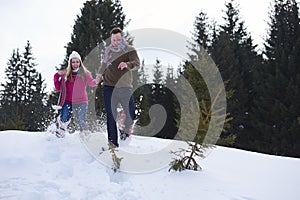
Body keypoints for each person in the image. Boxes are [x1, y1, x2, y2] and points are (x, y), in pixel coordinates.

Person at [97, 27, 140, 148]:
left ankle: (124, 127)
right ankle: (112, 143)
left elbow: (137, 63)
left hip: (125, 87)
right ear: (111, 39)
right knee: (111, 115)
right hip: (109, 87)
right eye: (114, 40)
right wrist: (99, 75)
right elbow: (104, 64)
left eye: (119, 39)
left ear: (122, 38)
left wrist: (127, 64)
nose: (116, 42)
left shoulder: (129, 50)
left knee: (131, 113)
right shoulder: (108, 51)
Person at [54, 51, 100, 138]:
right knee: (64, 117)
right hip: (68, 101)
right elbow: (58, 88)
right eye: (73, 62)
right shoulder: (66, 75)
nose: (75, 64)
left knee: (81, 118)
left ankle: (85, 132)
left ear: (80, 62)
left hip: (82, 101)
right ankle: (61, 130)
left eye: (77, 62)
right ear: (70, 63)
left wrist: (96, 81)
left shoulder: (85, 73)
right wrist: (56, 76)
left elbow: (92, 83)